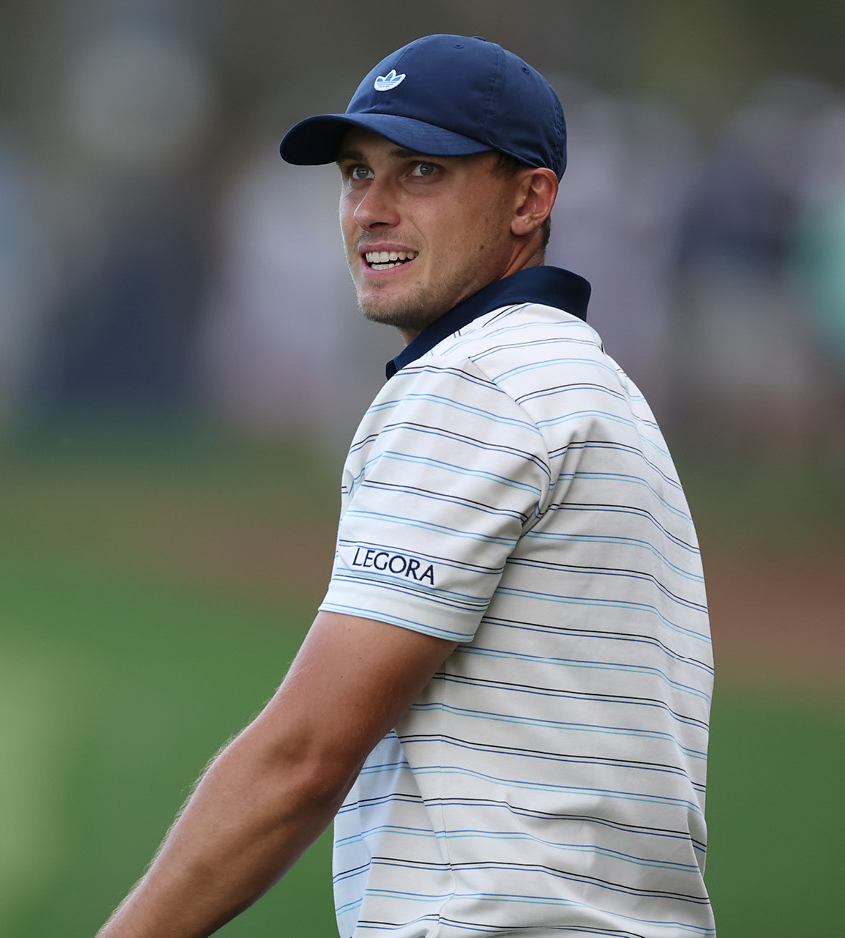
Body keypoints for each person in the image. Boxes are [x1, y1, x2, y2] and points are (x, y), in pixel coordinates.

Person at [98, 35, 712, 938]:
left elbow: (304, 756)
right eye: (355, 174)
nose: (369, 211)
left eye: (420, 171)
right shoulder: (582, 377)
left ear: (529, 197)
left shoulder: (472, 383)